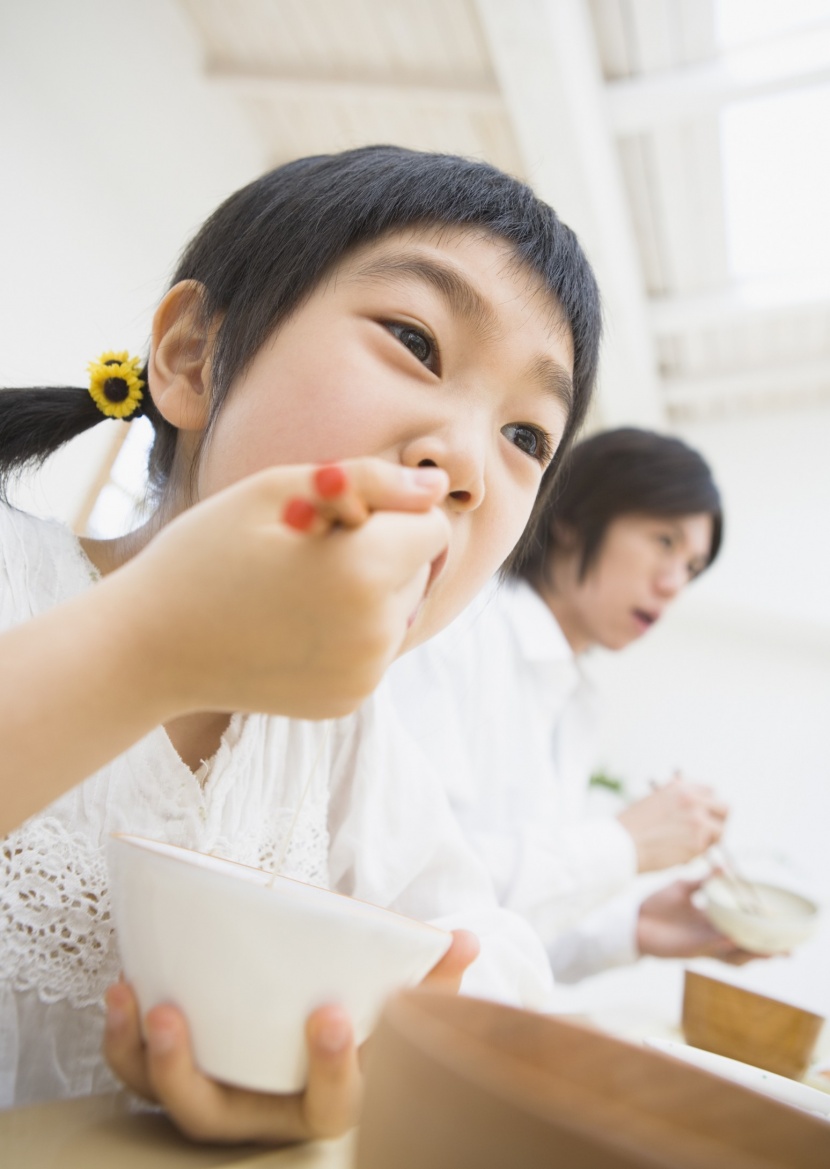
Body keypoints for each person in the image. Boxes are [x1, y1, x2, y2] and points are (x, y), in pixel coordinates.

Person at [0, 146, 601, 1139]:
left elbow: (485, 945)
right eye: (415, 338)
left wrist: (365, 1045)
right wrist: (156, 640)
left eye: (525, 436)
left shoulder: (343, 741)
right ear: (194, 357)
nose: (463, 466)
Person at [390, 427, 754, 987]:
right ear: (572, 517)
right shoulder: (457, 631)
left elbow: (507, 943)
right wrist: (623, 844)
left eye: (692, 566)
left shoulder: (577, 701)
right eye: (664, 542)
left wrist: (636, 928)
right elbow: (412, 891)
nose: (672, 582)